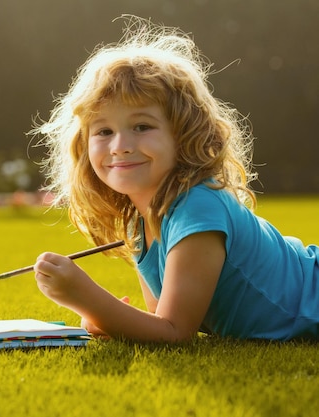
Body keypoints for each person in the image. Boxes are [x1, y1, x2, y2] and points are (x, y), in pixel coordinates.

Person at [31, 16, 319, 342]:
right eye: (104, 131)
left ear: (182, 134)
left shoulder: (197, 206)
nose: (121, 146)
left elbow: (174, 333)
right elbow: (159, 319)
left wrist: (85, 297)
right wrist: (105, 318)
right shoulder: (138, 221)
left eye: (142, 126)